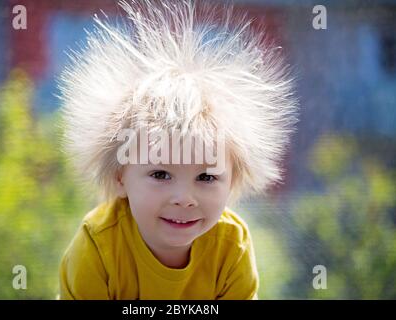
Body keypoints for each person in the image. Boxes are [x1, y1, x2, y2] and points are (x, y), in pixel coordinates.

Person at [58, 0, 298, 299]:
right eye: (160, 174)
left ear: (233, 181)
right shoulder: (98, 247)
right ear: (121, 176)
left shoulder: (230, 247)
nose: (185, 198)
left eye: (206, 178)